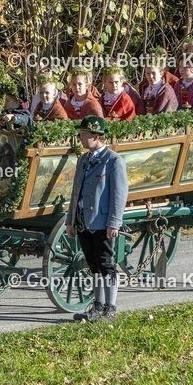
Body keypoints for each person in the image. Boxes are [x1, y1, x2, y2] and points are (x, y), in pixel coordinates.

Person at [65, 116, 127, 322]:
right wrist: (70, 220)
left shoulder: (114, 161)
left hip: (102, 224)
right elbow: (76, 193)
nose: (80, 137)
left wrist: (114, 223)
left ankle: (111, 307)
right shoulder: (83, 160)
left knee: (106, 265)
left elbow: (119, 195)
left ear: (96, 136)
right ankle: (97, 305)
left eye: (84, 134)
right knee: (93, 266)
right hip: (84, 221)